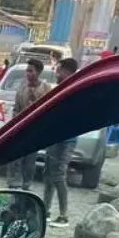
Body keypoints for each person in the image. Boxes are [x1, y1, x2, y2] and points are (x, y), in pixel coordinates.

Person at [41, 56, 80, 224]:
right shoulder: (59, 89)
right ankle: (45, 210)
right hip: (53, 137)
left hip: (67, 140)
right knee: (48, 175)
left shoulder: (76, 89)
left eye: (58, 70)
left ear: (67, 71)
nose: (56, 73)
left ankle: (64, 215)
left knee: (58, 176)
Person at [6, 57, 50, 191]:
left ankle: (26, 186)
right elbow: (16, 108)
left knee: (30, 160)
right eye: (27, 71)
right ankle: (13, 184)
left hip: (35, 130)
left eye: (31, 71)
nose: (28, 74)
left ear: (38, 73)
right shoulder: (22, 88)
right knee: (15, 157)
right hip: (20, 129)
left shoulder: (46, 89)